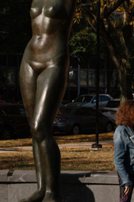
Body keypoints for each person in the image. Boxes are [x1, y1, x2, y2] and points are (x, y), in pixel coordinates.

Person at [19, 0, 75, 201]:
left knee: (40, 126)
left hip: (54, 59)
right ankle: (41, 188)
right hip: (29, 58)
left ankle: (53, 191)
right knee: (33, 129)